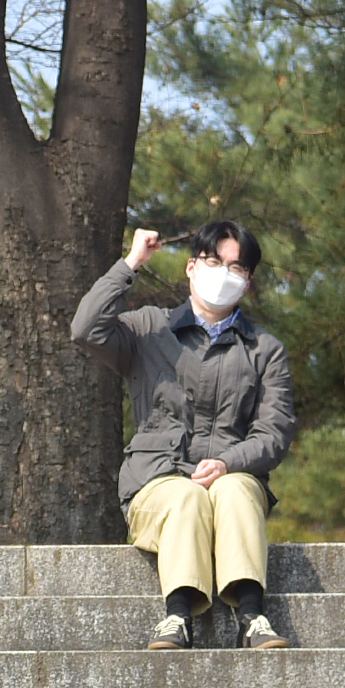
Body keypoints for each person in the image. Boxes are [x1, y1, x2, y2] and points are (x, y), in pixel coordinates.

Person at [73, 220, 291, 649]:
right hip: (157, 479)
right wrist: (132, 262)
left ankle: (252, 615)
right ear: (191, 268)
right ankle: (176, 616)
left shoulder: (265, 350)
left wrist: (230, 462)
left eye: (237, 268)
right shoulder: (147, 329)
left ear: (247, 283)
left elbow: (275, 430)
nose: (224, 274)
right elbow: (86, 329)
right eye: (214, 262)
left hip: (232, 480)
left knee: (233, 490)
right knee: (185, 496)